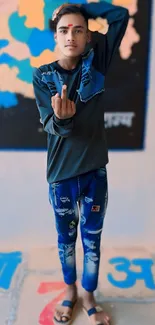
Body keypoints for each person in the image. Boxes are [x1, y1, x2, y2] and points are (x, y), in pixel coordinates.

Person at [33, 2, 129, 325]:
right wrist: (62, 120)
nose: (70, 36)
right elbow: (51, 123)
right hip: (61, 176)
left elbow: (120, 16)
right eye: (63, 30)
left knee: (92, 240)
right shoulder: (43, 75)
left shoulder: (97, 60)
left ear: (89, 36)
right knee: (66, 241)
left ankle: (89, 295)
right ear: (55, 37)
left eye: (78, 30)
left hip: (94, 173)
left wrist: (83, 8)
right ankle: (70, 292)